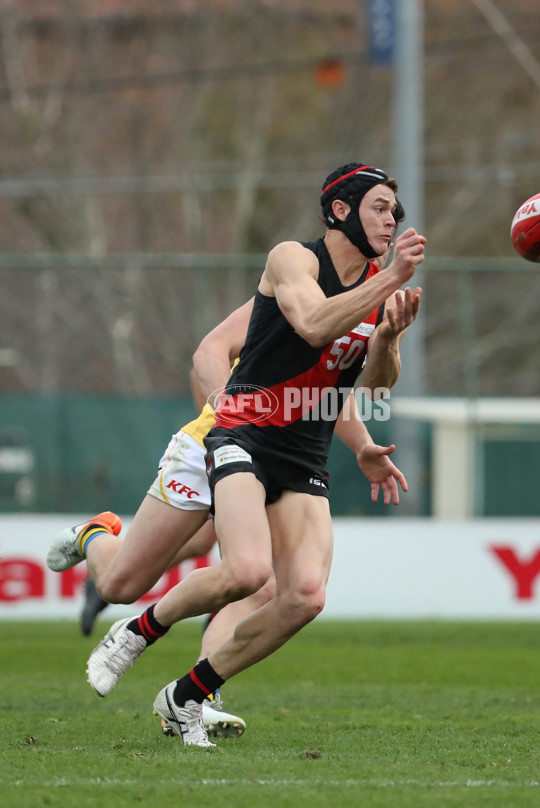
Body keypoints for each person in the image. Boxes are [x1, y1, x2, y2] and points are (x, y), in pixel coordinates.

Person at [74, 162, 426, 748]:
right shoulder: (294, 258)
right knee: (229, 573)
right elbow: (312, 326)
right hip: (239, 433)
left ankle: (187, 695)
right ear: (341, 209)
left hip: (303, 453)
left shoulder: (374, 288)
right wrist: (388, 281)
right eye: (382, 206)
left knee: (304, 596)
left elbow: (376, 383)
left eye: (396, 211)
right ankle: (129, 610)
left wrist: (387, 340)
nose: (394, 219)